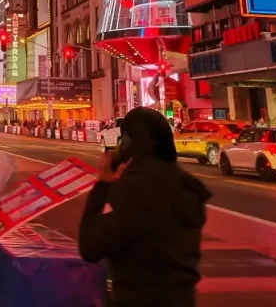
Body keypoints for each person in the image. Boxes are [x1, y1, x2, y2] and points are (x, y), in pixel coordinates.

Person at [78, 107, 211, 306]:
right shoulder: (187, 185)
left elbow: (90, 246)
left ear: (128, 142)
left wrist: (103, 184)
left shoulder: (136, 187)